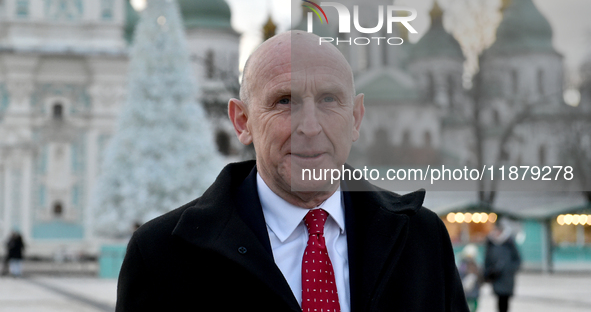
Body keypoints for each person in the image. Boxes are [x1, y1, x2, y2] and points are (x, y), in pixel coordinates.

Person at [116, 31, 468, 311]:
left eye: (329, 100)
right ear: (243, 121)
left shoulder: (421, 240)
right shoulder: (164, 257)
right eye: (284, 101)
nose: (310, 127)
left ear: (356, 118)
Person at [484, 219, 521, 312]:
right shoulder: (491, 244)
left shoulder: (509, 243)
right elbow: (487, 261)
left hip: (507, 277)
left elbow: (517, 259)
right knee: (499, 298)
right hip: (497, 277)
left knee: (506, 299)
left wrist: (510, 269)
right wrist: (488, 272)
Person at [458, 244, 482, 312]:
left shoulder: (477, 266)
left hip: (474, 294)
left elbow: (481, 280)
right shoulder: (462, 266)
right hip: (465, 294)